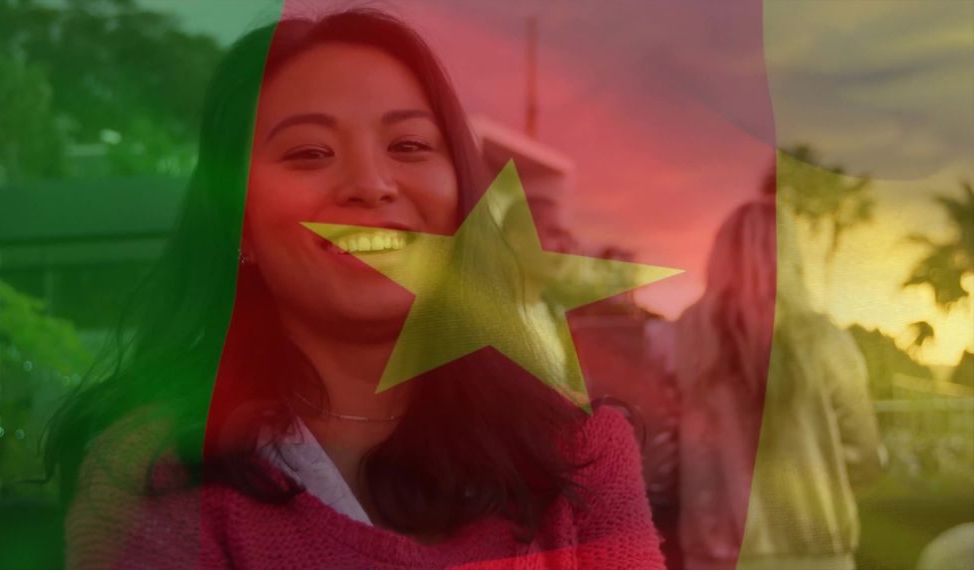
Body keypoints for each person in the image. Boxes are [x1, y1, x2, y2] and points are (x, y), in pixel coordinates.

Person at [45, 9, 665, 569]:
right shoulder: (156, 469)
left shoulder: (579, 457)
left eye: (409, 146)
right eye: (311, 152)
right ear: (240, 224)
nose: (371, 184)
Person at [675, 200, 881, 570]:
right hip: (817, 554)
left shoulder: (684, 338)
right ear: (791, 258)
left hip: (717, 554)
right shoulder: (827, 342)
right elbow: (864, 457)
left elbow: (664, 450)